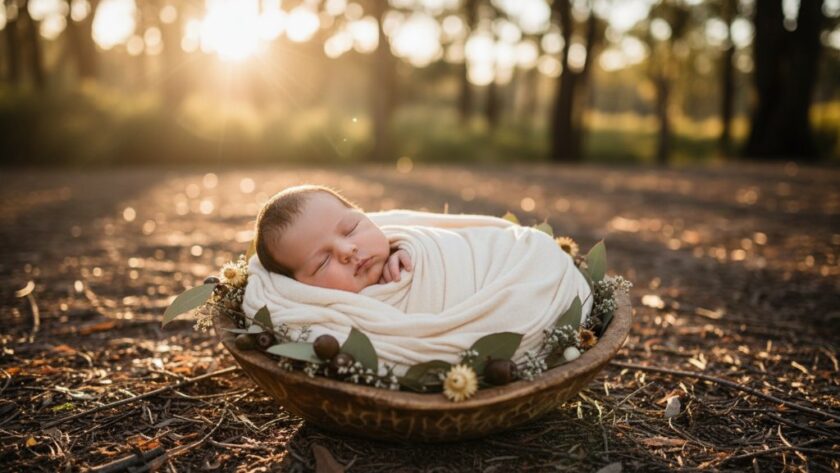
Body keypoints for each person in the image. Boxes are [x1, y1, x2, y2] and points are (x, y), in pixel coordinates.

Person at [254, 185, 413, 293]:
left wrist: (409, 253)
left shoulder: (410, 248)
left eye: (351, 229)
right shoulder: (328, 323)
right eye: (323, 262)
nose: (347, 250)